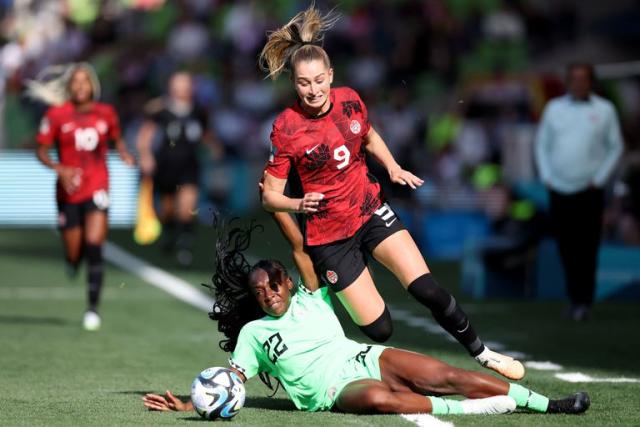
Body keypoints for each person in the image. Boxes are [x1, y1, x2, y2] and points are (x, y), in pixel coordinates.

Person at [258, 5, 524, 379]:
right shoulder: (287, 127)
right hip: (329, 237)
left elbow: (365, 135)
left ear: (331, 75)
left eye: (320, 80)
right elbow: (269, 196)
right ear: (294, 84)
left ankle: (483, 354)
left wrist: (394, 167)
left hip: (369, 209)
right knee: (381, 329)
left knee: (426, 288)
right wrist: (297, 202)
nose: (314, 89)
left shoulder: (350, 99)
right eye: (304, 83)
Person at [141, 221, 590, 416]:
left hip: (363, 356)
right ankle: (476, 409)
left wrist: (277, 202)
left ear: (289, 283)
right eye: (260, 291)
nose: (269, 292)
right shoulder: (255, 334)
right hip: (334, 390)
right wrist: (189, 401)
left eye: (274, 282)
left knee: (446, 373)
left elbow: (300, 248)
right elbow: (233, 379)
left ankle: (549, 404)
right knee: (380, 401)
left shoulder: (314, 297)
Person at [30, 63, 135, 331]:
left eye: (84, 81)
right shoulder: (56, 115)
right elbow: (41, 149)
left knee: (94, 244)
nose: (79, 86)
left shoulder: (106, 113)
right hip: (68, 191)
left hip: (98, 186)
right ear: (68, 87)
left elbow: (116, 138)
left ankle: (92, 308)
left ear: (92, 86)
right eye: (75, 82)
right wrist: (58, 167)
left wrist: (123, 152)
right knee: (74, 251)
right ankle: (71, 261)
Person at [535, 62, 624, 321]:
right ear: (568, 82)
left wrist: (599, 178)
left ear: (591, 82)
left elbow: (615, 147)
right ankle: (576, 298)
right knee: (566, 244)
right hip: (559, 187)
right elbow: (542, 144)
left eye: (583, 79)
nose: (578, 83)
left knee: (588, 244)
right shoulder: (554, 108)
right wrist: (547, 176)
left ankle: (584, 299)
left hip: (589, 189)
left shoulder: (604, 110)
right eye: (574, 78)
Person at [136, 71, 221, 267]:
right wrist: (146, 156)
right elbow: (145, 135)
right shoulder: (161, 110)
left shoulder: (198, 111)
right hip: (166, 165)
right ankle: (170, 233)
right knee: (166, 210)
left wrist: (215, 148)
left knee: (186, 208)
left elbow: (205, 134)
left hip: (189, 166)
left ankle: (185, 245)